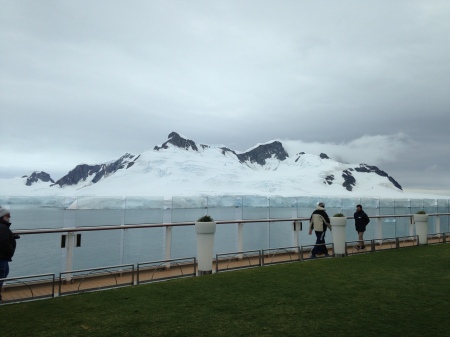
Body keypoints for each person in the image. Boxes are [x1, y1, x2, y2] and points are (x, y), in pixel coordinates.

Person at [0, 207, 18, 301]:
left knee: (4, 273)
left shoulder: (3, 227)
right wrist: (10, 250)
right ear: (3, 216)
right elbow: (3, 242)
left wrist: (12, 237)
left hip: (3, 257)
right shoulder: (3, 227)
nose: (9, 217)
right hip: (2, 257)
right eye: (7, 215)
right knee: (1, 276)